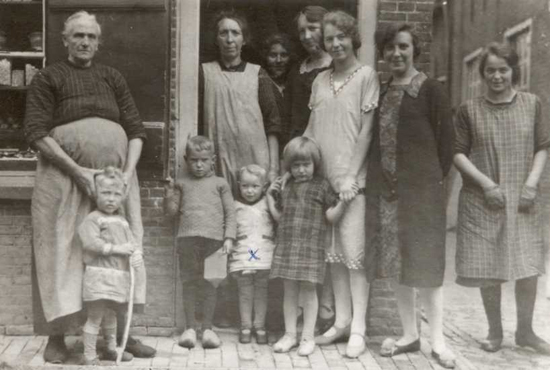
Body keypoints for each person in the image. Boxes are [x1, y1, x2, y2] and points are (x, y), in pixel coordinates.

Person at [23, 11, 155, 363]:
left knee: (119, 248)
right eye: (77, 36)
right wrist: (79, 172)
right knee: (59, 250)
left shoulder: (112, 77)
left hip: (115, 182)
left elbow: (136, 131)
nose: (84, 42)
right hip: (64, 178)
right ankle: (57, 337)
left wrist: (126, 175)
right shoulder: (48, 78)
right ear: (65, 40)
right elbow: (35, 133)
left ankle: (120, 337)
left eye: (91, 37)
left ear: (98, 42)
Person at [454, 42, 550, 355]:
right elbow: (456, 152)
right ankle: (494, 331)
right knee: (487, 264)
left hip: (524, 197)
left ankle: (525, 331)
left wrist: (531, 185)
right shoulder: (469, 110)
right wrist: (486, 185)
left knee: (527, 264)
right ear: (482, 74)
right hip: (484, 199)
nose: (497, 76)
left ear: (513, 71)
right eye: (490, 70)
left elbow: (542, 146)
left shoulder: (532, 103)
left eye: (503, 70)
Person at [369, 23, 455, 368]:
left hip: (422, 195)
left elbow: (446, 147)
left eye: (403, 46)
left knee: (428, 267)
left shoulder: (431, 90)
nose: (396, 53)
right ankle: (409, 334)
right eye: (389, 47)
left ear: (413, 50)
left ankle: (438, 340)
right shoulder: (384, 90)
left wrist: (429, 184)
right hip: (389, 195)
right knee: (397, 265)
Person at [304, 11, 379, 358]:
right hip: (323, 179)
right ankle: (342, 321)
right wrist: (293, 163)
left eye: (341, 37)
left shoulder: (366, 76)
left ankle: (359, 328)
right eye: (329, 38)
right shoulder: (319, 80)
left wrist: (351, 175)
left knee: (354, 256)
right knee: (332, 255)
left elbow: (366, 131)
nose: (335, 44)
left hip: (352, 182)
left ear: (353, 38)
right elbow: (311, 128)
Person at [268, 137, 346, 356]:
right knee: (289, 291)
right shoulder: (287, 187)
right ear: (289, 167)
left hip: (311, 247)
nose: (301, 170)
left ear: (315, 164)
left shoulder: (321, 185)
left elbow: (331, 217)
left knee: (309, 291)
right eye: (296, 166)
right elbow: (279, 218)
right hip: (287, 246)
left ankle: (307, 337)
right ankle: (289, 335)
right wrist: (268, 198)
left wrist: (344, 202)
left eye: (306, 165)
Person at [284, 6, 335, 333]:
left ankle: (328, 310)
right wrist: (290, 164)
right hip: (304, 160)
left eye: (312, 28)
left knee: (327, 238)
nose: (306, 36)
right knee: (304, 237)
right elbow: (292, 121)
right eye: (301, 31)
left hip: (332, 154)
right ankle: (303, 316)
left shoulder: (337, 67)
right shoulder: (297, 71)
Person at [164, 135, 236, 349]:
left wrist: (229, 238)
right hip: (187, 240)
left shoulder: (220, 184)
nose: (199, 164)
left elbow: (230, 213)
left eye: (204, 160)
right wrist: (169, 193)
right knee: (189, 283)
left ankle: (207, 329)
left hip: (214, 242)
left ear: (212, 159)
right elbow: (171, 213)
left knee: (211, 283)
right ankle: (189, 328)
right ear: (186, 159)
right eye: (194, 160)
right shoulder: (182, 183)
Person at [199, 9, 281, 192]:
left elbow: (273, 124)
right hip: (219, 159)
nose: (229, 40)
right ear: (216, 39)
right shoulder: (205, 73)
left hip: (254, 162)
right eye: (223, 33)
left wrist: (274, 168)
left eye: (235, 33)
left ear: (244, 40)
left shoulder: (258, 73)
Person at [78, 167, 146, 365]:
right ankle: (89, 355)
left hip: (118, 278)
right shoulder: (93, 219)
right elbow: (91, 243)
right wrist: (118, 249)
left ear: (123, 197)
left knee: (112, 315)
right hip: (99, 277)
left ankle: (110, 349)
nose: (111, 199)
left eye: (116, 194)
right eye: (106, 193)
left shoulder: (123, 221)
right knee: (95, 316)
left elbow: (132, 243)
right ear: (95, 194)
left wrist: (137, 253)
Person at [228, 165, 275, 345]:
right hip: (243, 254)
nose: (249, 191)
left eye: (255, 186)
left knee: (262, 292)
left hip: (263, 254)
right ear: (239, 186)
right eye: (245, 186)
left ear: (263, 187)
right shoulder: (235, 206)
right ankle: (245, 326)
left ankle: (260, 326)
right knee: (245, 292)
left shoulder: (267, 204)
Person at [261, 33, 294, 152]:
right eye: (273, 55)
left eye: (284, 55)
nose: (279, 60)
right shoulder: (260, 84)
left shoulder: (294, 84)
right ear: (265, 57)